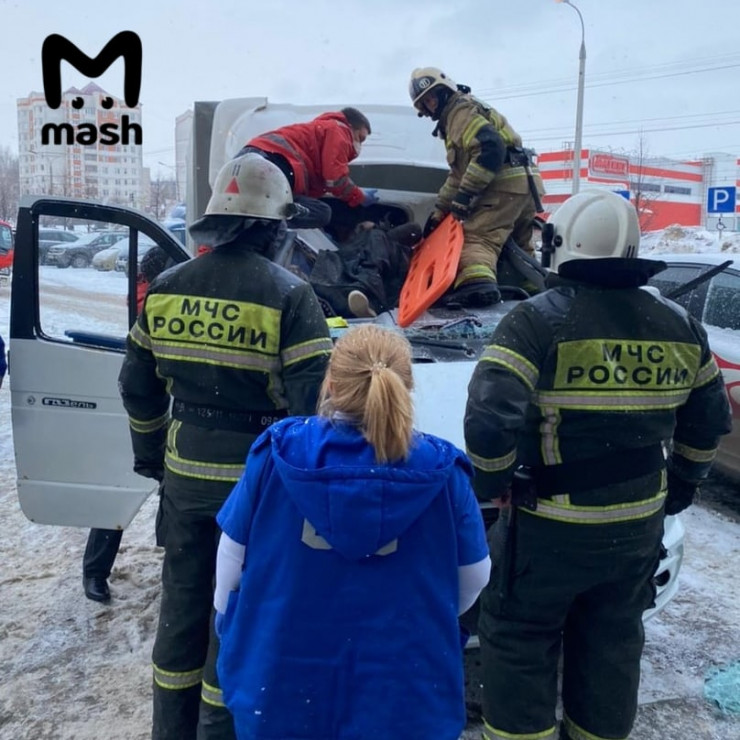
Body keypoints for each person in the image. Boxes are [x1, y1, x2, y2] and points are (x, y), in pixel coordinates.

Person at [463, 190, 732, 740]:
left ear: (561, 245)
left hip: (548, 531)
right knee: (612, 644)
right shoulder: (679, 324)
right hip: (635, 530)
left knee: (519, 641)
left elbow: (490, 420)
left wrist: (494, 485)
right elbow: (708, 423)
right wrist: (679, 489)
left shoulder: (536, 321)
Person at [118, 152, 333, 740]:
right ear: (274, 228)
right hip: (256, 491)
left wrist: (151, 455)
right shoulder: (290, 296)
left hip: (184, 482)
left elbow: (136, 386)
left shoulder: (167, 287)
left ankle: (170, 730)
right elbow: (312, 409)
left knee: (181, 611)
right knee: (234, 615)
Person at [213, 324, 490, 740]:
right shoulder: (442, 471)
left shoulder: (277, 454)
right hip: (402, 690)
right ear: (407, 387)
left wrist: (233, 626)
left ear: (330, 382)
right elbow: (475, 576)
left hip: (283, 682)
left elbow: (230, 563)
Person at [409, 66, 545, 308]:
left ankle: (476, 288)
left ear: (444, 91)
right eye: (425, 103)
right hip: (526, 182)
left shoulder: (458, 112)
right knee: (519, 247)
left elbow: (490, 148)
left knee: (476, 239)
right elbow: (457, 175)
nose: (431, 105)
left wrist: (465, 196)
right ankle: (533, 292)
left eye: (432, 97)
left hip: (504, 185)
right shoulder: (464, 111)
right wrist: (440, 210)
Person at [235, 107, 378, 230]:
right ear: (350, 126)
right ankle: (262, 225)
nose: (359, 145)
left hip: (247, 161)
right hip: (272, 161)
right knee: (318, 213)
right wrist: (359, 196)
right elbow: (335, 178)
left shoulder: (318, 134)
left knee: (317, 211)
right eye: (360, 138)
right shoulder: (339, 130)